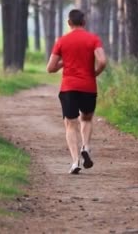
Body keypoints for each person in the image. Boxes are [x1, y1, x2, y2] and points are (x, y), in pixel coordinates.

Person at [46, 9, 107, 174]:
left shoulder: (62, 41)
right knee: (86, 119)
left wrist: (63, 63)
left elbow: (50, 68)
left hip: (69, 87)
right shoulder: (93, 39)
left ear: (69, 23)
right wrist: (94, 73)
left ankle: (75, 162)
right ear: (84, 22)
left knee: (70, 124)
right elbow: (102, 61)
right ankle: (86, 147)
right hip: (88, 86)